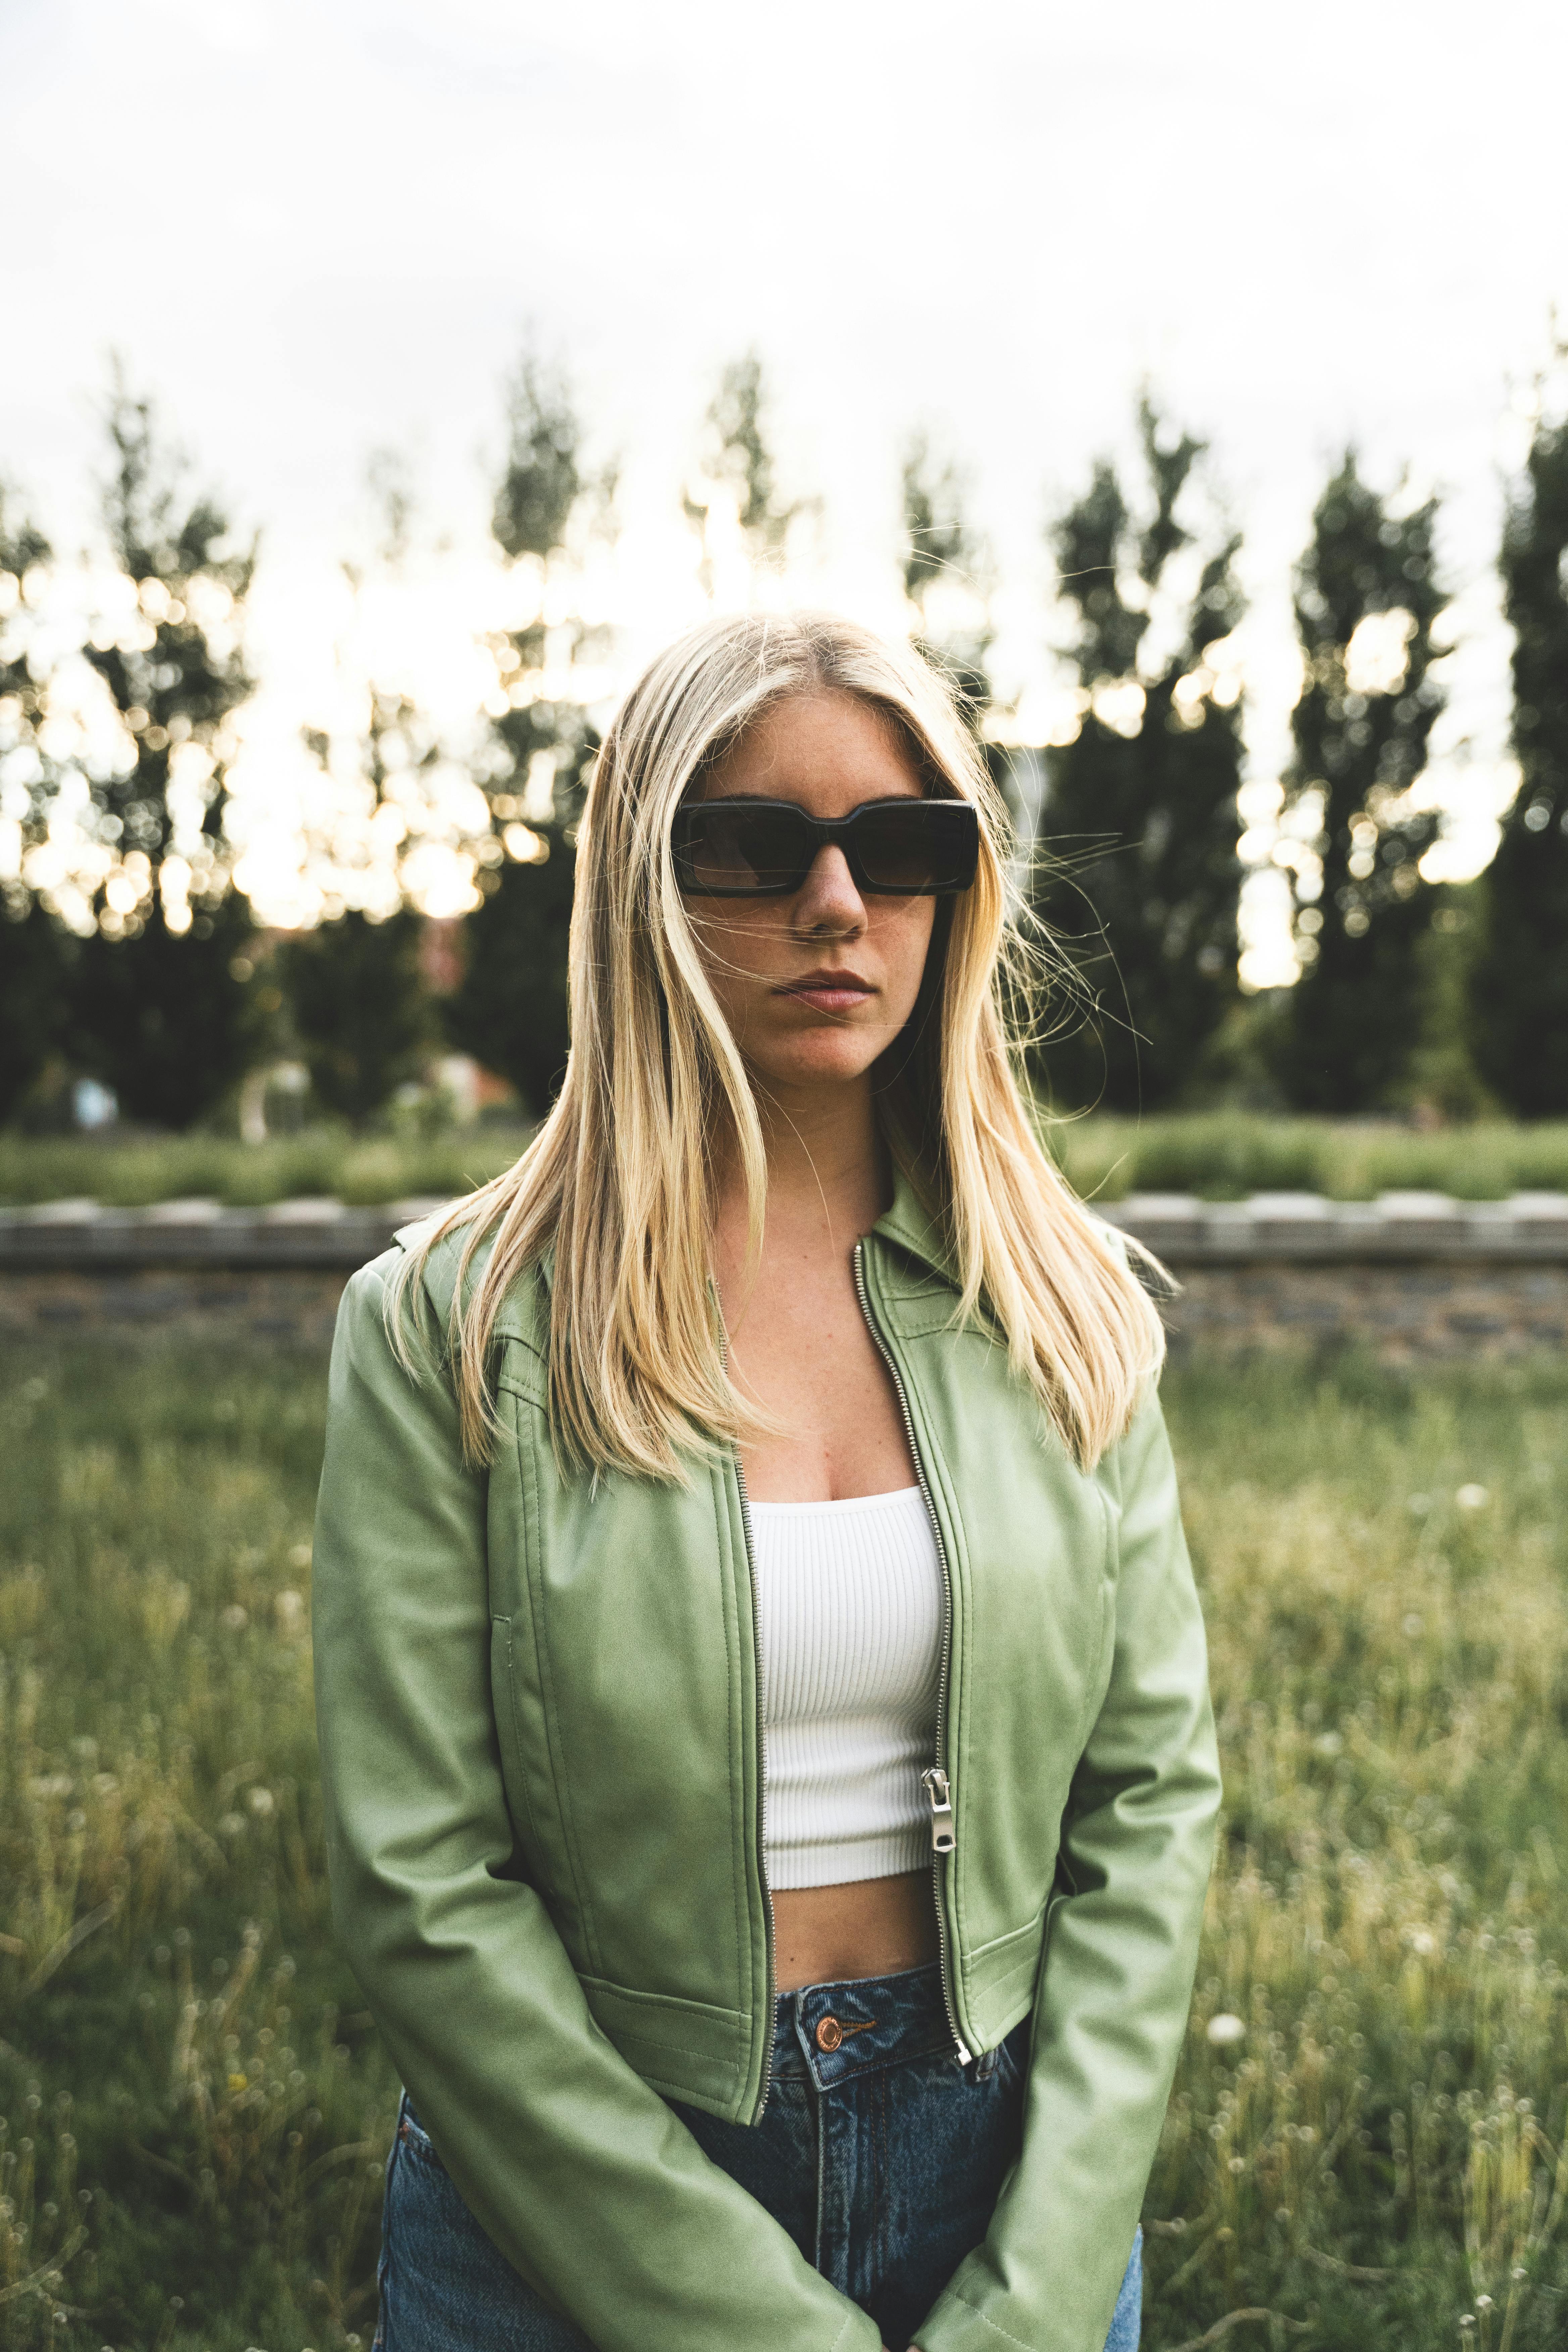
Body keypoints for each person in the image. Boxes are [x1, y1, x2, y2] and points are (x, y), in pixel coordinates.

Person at [312, 609, 1222, 2352]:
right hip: (576, 2210)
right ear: (642, 879)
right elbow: (421, 1888)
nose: (835, 904)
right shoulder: (450, 1329)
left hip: (1010, 2185)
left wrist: (1040, 2298)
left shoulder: (1070, 1307)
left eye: (901, 848)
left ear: (959, 889)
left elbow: (1153, 1802)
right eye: (752, 845)